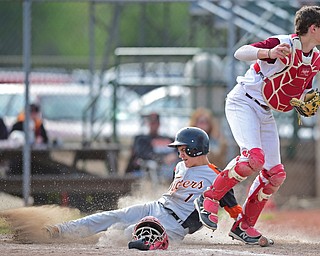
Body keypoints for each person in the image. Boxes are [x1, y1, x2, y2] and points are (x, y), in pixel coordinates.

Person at [194, 5, 320, 245]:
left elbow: (303, 91)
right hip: (243, 102)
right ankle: (208, 198)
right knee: (253, 158)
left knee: (275, 174)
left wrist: (306, 102)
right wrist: (270, 53)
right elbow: (240, 52)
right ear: (313, 28)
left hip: (265, 113)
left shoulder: (315, 58)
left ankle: (244, 226)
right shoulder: (285, 43)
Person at [45, 127, 242, 250]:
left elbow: (234, 210)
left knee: (128, 233)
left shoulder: (217, 177)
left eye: (183, 150)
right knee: (113, 216)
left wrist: (246, 229)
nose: (180, 154)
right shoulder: (180, 167)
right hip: (155, 207)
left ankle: (150, 241)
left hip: (175, 225)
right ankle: (61, 231)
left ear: (195, 149)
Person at [125, 112, 179, 183]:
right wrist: (163, 159)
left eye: (155, 123)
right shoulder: (142, 139)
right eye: (151, 123)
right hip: (152, 170)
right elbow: (144, 154)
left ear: (159, 124)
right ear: (148, 124)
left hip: (172, 169)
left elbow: (178, 151)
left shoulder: (169, 139)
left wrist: (175, 156)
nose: (153, 125)